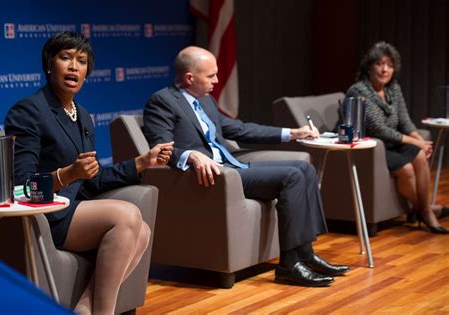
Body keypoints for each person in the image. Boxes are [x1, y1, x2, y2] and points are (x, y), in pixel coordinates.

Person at [143, 46, 349, 287]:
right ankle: (289, 265)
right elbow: (160, 147)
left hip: (233, 168)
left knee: (306, 169)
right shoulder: (162, 102)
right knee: (292, 176)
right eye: (211, 76)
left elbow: (240, 129)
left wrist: (291, 133)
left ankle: (305, 254)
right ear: (190, 78)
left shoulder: (206, 102)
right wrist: (190, 155)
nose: (217, 81)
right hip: (213, 178)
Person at [4, 32, 173, 314]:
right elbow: (21, 186)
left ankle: (84, 309)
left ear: (86, 73)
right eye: (65, 57)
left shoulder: (81, 114)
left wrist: (142, 162)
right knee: (128, 215)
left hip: (74, 207)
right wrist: (67, 175)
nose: (74, 66)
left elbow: (92, 179)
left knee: (141, 231)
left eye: (81, 61)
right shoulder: (29, 111)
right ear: (49, 65)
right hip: (44, 215)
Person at [346, 41, 448, 234]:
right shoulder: (359, 91)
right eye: (379, 64)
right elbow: (379, 130)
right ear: (369, 66)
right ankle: (425, 211)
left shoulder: (393, 88)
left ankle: (422, 210)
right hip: (371, 145)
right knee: (407, 168)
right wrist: (416, 142)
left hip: (391, 143)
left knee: (419, 155)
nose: (385, 69)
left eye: (390, 65)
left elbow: (405, 120)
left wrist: (420, 140)